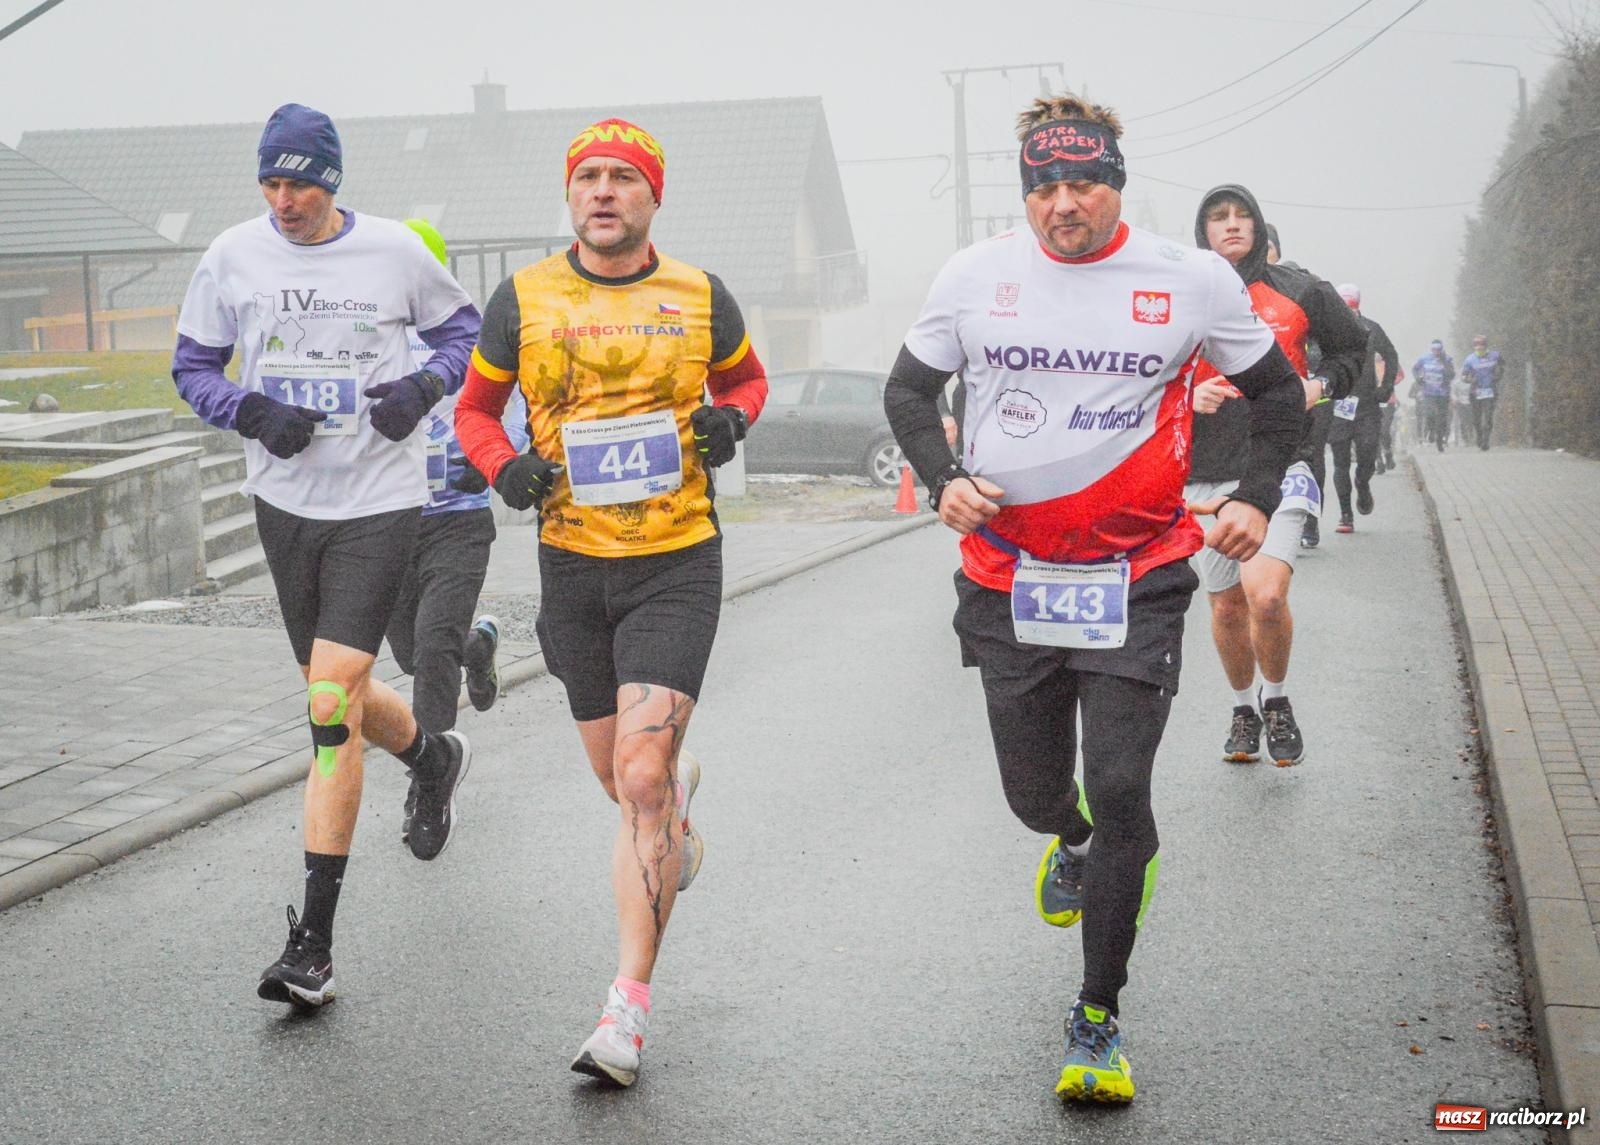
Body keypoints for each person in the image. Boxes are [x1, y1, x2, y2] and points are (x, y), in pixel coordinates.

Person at [883, 93, 1306, 1104]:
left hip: (1139, 574)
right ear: (1024, 191)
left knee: (1120, 788)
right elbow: (906, 391)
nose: (1063, 204)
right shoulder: (973, 274)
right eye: (1044, 186)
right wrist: (942, 476)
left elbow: (1279, 394)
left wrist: (1255, 497)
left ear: (1116, 184)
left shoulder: (1189, 278)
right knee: (1035, 795)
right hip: (1007, 574)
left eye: (1083, 184)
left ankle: (1098, 1014)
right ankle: (1066, 839)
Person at [454, 117, 768, 1088]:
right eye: (587, 175)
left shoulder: (701, 293)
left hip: (676, 559)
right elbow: (474, 409)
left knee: (639, 775)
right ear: (570, 194)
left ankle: (624, 1010)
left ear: (651, 196)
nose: (602, 190)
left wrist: (729, 420)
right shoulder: (523, 297)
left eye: (622, 177)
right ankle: (674, 818)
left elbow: (749, 381)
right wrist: (503, 466)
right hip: (572, 568)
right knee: (627, 783)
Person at [170, 104, 481, 1008]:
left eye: (299, 184)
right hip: (284, 503)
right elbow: (192, 366)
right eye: (270, 183)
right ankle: (431, 757)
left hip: (380, 502)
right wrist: (248, 410)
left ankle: (313, 946)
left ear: (332, 183)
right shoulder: (231, 255)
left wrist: (421, 387)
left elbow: (463, 335)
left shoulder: (393, 252)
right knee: (332, 684)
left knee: (328, 700)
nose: (284, 200)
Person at [1184, 187, 1367, 766]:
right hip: (1203, 474)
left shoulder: (1300, 289)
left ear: (1260, 226)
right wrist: (1187, 397)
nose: (1232, 225)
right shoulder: (1179, 290)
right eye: (1219, 218)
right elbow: (1141, 370)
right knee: (1227, 607)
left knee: (1265, 596)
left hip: (1282, 463)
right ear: (1203, 231)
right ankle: (1243, 708)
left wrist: (1320, 385)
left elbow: (1352, 349)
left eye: (1243, 216)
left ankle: (1277, 699)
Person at [385, 218, 531, 844]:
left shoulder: (470, 335)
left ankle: (429, 784)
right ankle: (477, 647)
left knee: (431, 650)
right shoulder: (374, 335)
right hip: (388, 522)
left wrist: (493, 460)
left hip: (458, 520)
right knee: (410, 654)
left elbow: (515, 407)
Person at [1326, 283, 1399, 532]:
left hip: (1367, 404)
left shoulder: (1371, 328)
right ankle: (1346, 515)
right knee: (1340, 462)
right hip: (1339, 404)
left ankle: (1362, 483)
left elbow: (1391, 355)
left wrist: (1386, 386)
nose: (1349, 313)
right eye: (1344, 308)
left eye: (1352, 308)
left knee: (1368, 455)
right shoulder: (1327, 329)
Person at [1460, 333, 1503, 450]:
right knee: (1476, 419)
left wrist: (1497, 375)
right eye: (1477, 345)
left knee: (1488, 417)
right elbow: (1463, 376)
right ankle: (1479, 435)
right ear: (1474, 346)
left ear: (1486, 345)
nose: (1479, 347)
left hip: (1490, 391)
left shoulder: (1495, 356)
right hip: (1475, 392)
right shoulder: (1469, 359)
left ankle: (1486, 441)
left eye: (1482, 345)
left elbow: (1502, 367)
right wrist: (1470, 380)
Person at [1413, 340, 1455, 452]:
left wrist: (1445, 366)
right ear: (1431, 350)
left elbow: (1452, 374)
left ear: (1442, 350)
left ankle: (1440, 440)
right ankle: (1431, 430)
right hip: (1429, 392)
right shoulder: (1424, 359)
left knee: (1442, 417)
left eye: (1438, 350)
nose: (1436, 352)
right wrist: (1418, 378)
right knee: (1429, 414)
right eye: (1434, 350)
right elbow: (1415, 369)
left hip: (1443, 393)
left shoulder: (1447, 359)